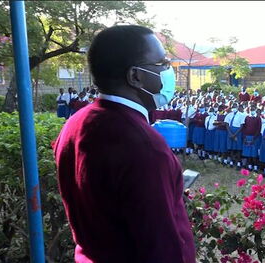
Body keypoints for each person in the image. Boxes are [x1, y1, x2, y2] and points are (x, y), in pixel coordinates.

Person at [53, 25, 195, 262]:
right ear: (135, 76)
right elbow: (161, 247)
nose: (168, 72)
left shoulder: (76, 123)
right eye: (161, 64)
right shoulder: (143, 146)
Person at [225, 103, 246, 169]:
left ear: (237, 107)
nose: (233, 108)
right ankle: (231, 162)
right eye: (232, 107)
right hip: (230, 131)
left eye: (235, 106)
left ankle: (238, 163)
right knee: (231, 148)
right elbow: (227, 124)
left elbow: (241, 126)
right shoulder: (229, 115)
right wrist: (230, 133)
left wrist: (235, 134)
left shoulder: (241, 115)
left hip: (238, 132)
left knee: (238, 148)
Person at [242, 106, 262, 171]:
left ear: (255, 110)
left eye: (253, 109)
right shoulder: (247, 117)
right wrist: (244, 137)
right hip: (247, 137)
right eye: (251, 109)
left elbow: (259, 129)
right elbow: (244, 127)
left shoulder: (258, 118)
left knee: (254, 153)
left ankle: (255, 167)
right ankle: (249, 166)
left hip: (255, 137)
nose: (252, 110)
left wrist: (254, 138)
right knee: (248, 153)